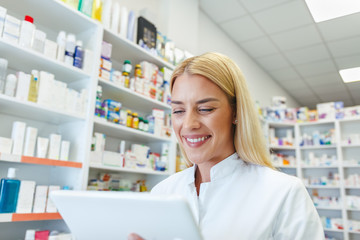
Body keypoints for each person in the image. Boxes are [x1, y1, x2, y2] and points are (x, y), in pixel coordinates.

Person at [129, 52, 324, 240]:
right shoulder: (162, 192)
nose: (188, 124)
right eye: (178, 110)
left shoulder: (284, 193)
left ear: (236, 112)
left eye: (205, 109)